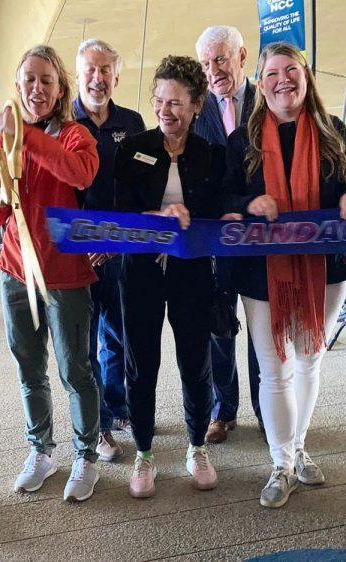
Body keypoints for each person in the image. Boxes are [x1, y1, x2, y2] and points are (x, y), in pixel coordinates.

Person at [224, 42, 346, 508]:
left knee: (310, 361)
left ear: (306, 78)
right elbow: (222, 198)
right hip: (261, 272)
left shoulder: (333, 132)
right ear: (260, 82)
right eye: (272, 73)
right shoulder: (240, 141)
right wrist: (248, 204)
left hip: (325, 269)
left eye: (291, 70)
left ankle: (299, 447)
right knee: (274, 370)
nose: (282, 79)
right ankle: (281, 462)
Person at [0, 45, 102, 502]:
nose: (36, 88)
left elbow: (79, 175)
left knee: (75, 368)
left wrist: (25, 138)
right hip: (15, 271)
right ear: (18, 86)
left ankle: (86, 455)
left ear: (59, 89)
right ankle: (41, 450)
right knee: (29, 367)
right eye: (28, 79)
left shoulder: (73, 136)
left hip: (66, 275)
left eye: (45, 81)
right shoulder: (2, 141)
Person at [115, 55, 223, 498]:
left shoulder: (209, 155)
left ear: (196, 105)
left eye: (176, 102)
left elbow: (216, 215)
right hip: (140, 271)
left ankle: (197, 446)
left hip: (192, 274)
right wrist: (159, 217)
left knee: (195, 363)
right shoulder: (132, 147)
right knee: (141, 363)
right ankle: (143, 454)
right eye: (159, 100)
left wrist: (192, 215)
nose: (165, 110)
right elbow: (119, 214)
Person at [72, 38, 146, 462]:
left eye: (106, 71)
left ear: (116, 76)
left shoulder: (132, 122)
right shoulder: (62, 123)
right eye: (90, 71)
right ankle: (98, 427)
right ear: (77, 75)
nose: (97, 78)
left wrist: (115, 240)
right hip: (78, 254)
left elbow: (138, 188)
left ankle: (118, 409)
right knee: (83, 343)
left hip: (121, 250)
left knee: (120, 336)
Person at [194, 24, 263, 443]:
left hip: (259, 236)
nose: (213, 70)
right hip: (215, 238)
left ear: (241, 56)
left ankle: (266, 407)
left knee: (262, 325)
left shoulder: (268, 100)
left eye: (220, 59)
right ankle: (225, 409)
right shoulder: (197, 108)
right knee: (219, 324)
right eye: (206, 63)